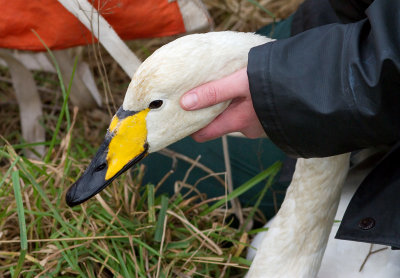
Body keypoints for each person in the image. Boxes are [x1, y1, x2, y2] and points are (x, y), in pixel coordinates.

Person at [180, 0, 400, 248]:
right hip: (344, 18)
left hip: (379, 66)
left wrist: (284, 89)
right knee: (158, 168)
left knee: (170, 177)